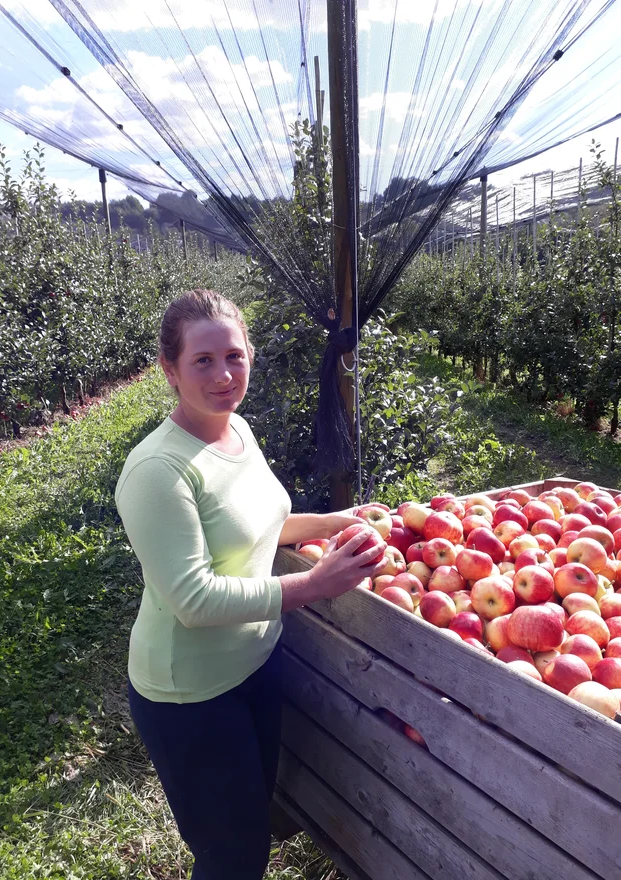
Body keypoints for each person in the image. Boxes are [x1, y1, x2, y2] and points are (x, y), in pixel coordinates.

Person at [115, 289, 387, 880]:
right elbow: (192, 599)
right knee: (230, 858)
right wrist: (317, 583)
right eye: (203, 361)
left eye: (234, 356)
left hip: (255, 664)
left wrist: (341, 520)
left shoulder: (236, 430)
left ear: (251, 357)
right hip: (189, 692)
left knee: (251, 827)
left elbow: (263, 526)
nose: (223, 375)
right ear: (170, 369)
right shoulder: (157, 471)